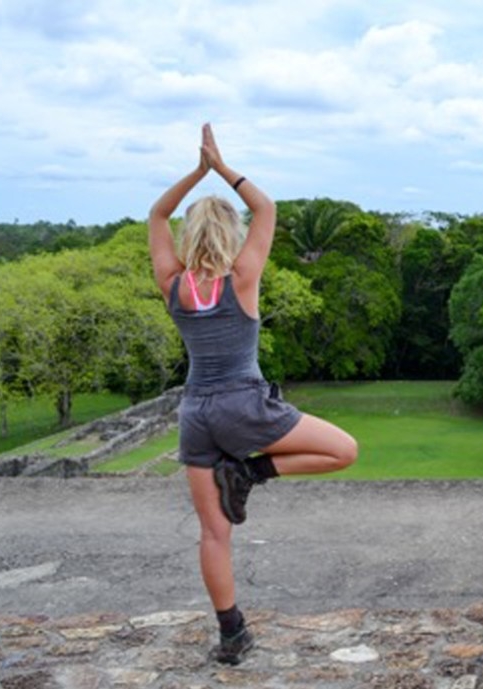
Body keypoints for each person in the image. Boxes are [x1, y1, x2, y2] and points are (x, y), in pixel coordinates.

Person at [148, 124, 358, 665]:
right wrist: (220, 168)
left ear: (191, 234)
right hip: (244, 403)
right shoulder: (243, 276)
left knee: (214, 534)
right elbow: (266, 210)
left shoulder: (171, 282)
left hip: (195, 412)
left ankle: (231, 633)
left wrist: (194, 173)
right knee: (344, 450)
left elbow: (154, 216)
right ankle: (252, 474)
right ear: (231, 234)